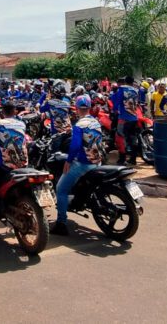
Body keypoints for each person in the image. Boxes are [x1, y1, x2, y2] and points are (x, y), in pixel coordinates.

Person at [51, 96, 106, 236]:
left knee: (61, 189)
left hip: (83, 164)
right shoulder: (96, 122)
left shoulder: (79, 125)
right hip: (97, 161)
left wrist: (68, 161)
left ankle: (61, 223)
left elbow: (75, 146)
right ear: (89, 108)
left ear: (76, 108)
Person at [112, 76, 141, 166]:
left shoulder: (121, 90)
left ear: (125, 81)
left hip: (124, 118)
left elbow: (116, 101)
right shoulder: (136, 90)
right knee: (132, 138)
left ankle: (122, 159)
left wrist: (115, 110)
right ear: (133, 82)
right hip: (134, 118)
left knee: (120, 137)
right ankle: (133, 159)